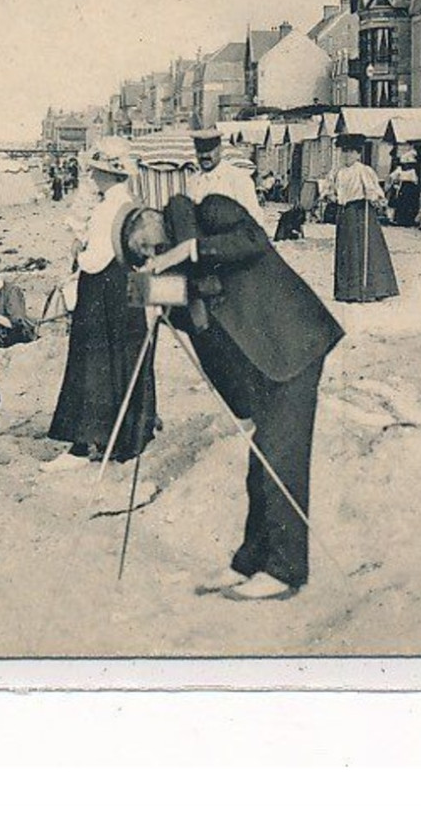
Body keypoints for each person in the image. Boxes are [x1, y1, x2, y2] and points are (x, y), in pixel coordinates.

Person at [119, 192, 345, 600]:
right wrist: (150, 295)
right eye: (144, 255)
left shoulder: (212, 210)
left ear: (150, 218)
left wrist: (189, 249)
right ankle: (250, 562)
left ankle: (285, 571)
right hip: (262, 367)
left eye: (147, 244)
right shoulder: (180, 269)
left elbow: (255, 242)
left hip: (293, 345)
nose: (152, 253)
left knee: (280, 459)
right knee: (261, 464)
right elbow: (196, 315)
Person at [46, 140, 158, 470]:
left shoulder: (107, 208)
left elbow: (95, 259)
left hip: (103, 290)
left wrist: (77, 253)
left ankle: (82, 444)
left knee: (90, 362)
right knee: (128, 359)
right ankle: (129, 439)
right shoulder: (131, 203)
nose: (92, 176)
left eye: (95, 170)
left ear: (106, 173)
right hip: (131, 290)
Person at [329, 134, 399, 303]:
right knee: (346, 250)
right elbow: (330, 189)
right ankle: (346, 291)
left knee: (362, 248)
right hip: (344, 213)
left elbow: (374, 190)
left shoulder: (363, 170)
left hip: (361, 212)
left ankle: (370, 289)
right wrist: (331, 195)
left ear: (358, 154)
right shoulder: (337, 172)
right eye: (344, 152)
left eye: (350, 152)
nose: (346, 156)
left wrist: (373, 197)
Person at [188, 128, 265, 225]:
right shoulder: (193, 181)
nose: (204, 155)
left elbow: (254, 219)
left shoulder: (238, 179)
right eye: (200, 151)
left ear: (220, 149)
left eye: (209, 150)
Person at [386, 149, 421, 228]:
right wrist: (395, 181)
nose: (407, 166)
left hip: (410, 188)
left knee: (409, 204)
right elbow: (392, 176)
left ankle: (409, 220)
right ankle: (401, 220)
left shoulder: (412, 171)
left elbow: (415, 180)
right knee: (402, 204)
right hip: (404, 188)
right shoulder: (400, 170)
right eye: (406, 164)